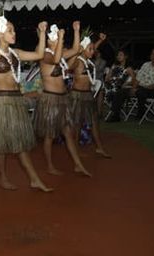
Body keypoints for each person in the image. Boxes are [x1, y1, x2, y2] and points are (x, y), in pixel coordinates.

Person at [0, 16, 52, 192]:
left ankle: (31, 179)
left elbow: (39, 54)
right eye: (10, 30)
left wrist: (42, 33)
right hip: (2, 102)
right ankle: (14, 178)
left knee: (17, 143)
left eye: (14, 30)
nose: (14, 33)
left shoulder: (15, 53)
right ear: (0, 34)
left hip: (16, 101)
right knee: (3, 144)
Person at [35, 21, 91, 177]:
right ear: (49, 41)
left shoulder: (60, 55)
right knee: (49, 135)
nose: (60, 42)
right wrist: (60, 40)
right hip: (50, 100)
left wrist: (76, 31)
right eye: (56, 39)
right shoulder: (45, 55)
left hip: (62, 99)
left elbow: (74, 49)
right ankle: (49, 166)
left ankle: (78, 164)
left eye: (59, 40)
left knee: (68, 132)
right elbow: (55, 59)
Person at [69, 32, 111, 158]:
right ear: (82, 48)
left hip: (88, 95)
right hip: (77, 96)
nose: (93, 51)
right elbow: (68, 66)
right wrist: (77, 52)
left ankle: (99, 148)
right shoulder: (78, 61)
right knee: (77, 124)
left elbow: (92, 48)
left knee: (94, 122)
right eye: (90, 49)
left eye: (93, 49)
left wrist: (100, 41)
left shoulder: (87, 60)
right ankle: (75, 150)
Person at [104, 49, 136, 122]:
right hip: (112, 86)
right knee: (106, 89)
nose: (118, 56)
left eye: (121, 55)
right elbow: (107, 78)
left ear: (126, 57)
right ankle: (112, 114)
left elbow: (134, 80)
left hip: (122, 88)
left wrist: (129, 85)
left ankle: (115, 115)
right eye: (118, 55)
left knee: (118, 92)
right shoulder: (114, 66)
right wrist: (110, 79)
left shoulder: (128, 68)